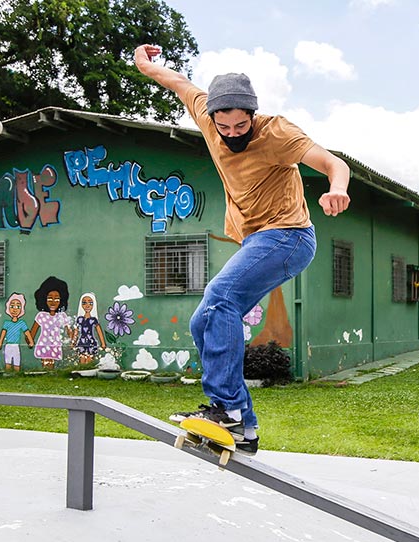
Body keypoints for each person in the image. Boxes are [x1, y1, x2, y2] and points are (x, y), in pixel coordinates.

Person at [134, 43, 351, 455]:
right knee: (204, 320)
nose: (232, 135)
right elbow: (176, 81)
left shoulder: (277, 133)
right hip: (257, 240)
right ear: (212, 116)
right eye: (224, 128)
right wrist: (145, 63)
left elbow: (331, 162)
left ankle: (227, 409)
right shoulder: (205, 112)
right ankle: (244, 428)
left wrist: (336, 189)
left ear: (252, 115)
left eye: (240, 126)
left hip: (289, 235)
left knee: (220, 301)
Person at [0, 292, 33, 372]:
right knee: (8, 362)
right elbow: (3, 333)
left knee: (16, 362)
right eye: (12, 306)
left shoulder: (21, 323)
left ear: (21, 309)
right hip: (8, 346)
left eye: (18, 306)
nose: (15, 309)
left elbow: (27, 332)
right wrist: (0, 342)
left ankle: (16, 375)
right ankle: (8, 374)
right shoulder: (7, 323)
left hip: (16, 346)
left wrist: (31, 341)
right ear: (8, 308)